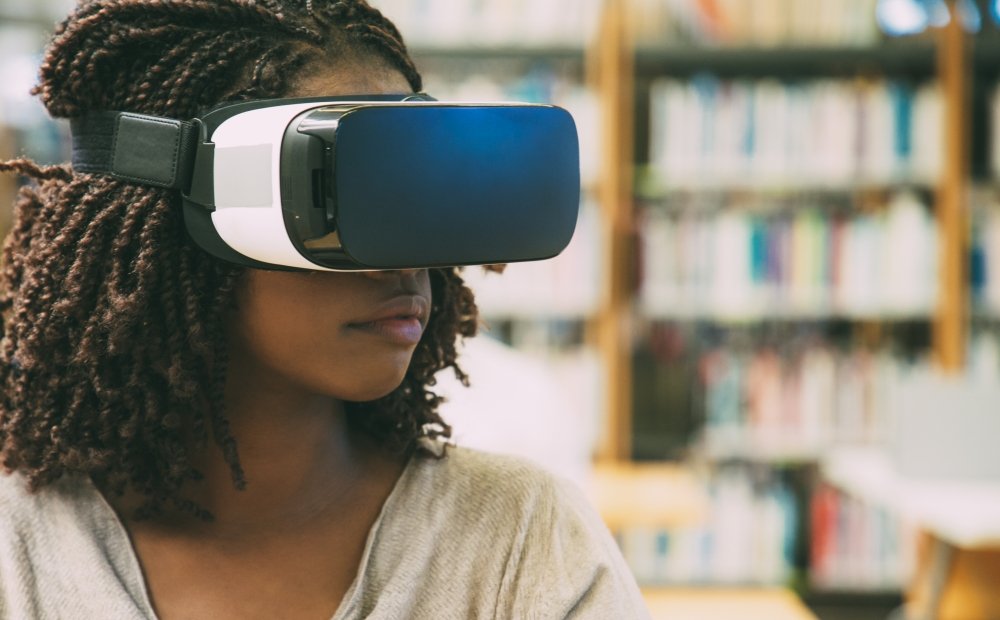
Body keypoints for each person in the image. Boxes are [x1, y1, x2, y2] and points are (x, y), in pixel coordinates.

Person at [0, 1, 649, 618]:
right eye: (344, 195)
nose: (403, 263)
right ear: (175, 220)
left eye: (416, 189)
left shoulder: (521, 542)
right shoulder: (18, 552)